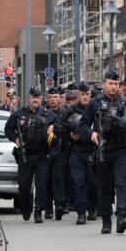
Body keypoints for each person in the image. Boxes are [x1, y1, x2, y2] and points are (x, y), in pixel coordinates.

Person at [79, 70, 126, 234]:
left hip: (122, 149)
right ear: (104, 84)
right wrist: (91, 133)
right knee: (103, 187)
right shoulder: (94, 103)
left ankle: (122, 216)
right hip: (103, 149)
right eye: (110, 83)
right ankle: (106, 220)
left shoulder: (125, 103)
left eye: (116, 84)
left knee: (122, 182)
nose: (113, 87)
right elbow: (82, 125)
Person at [4, 87, 57, 223]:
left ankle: (39, 210)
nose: (35, 100)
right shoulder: (19, 114)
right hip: (25, 155)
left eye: (38, 97)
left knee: (41, 184)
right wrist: (15, 138)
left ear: (41, 99)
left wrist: (53, 129)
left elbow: (59, 128)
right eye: (33, 97)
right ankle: (26, 207)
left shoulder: (47, 114)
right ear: (28, 99)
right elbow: (8, 129)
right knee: (24, 185)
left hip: (41, 154)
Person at [65, 83, 97, 224]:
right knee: (79, 183)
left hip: (92, 151)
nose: (85, 97)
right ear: (78, 96)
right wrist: (70, 135)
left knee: (93, 183)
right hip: (77, 151)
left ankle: (92, 208)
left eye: (87, 94)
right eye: (82, 94)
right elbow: (61, 128)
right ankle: (81, 212)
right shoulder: (71, 111)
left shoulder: (97, 109)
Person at [43, 86, 68, 221]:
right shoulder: (43, 113)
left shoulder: (65, 113)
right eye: (51, 97)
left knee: (58, 179)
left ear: (59, 99)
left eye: (55, 97)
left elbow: (68, 128)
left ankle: (59, 205)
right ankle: (47, 208)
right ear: (47, 98)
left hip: (60, 151)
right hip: (46, 151)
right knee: (47, 180)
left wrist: (56, 128)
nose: (53, 100)